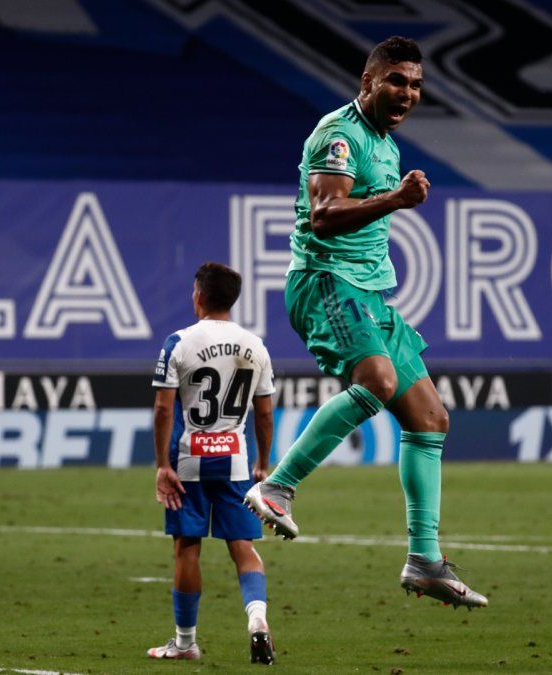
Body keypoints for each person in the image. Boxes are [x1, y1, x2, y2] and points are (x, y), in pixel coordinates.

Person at [243, 36, 487, 609]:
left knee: (430, 418)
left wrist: (394, 199)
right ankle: (277, 486)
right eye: (397, 80)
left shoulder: (385, 145)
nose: (408, 92)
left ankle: (424, 561)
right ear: (368, 81)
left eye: (417, 84)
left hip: (371, 294)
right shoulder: (339, 134)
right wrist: (396, 200)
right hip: (325, 281)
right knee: (376, 381)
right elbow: (325, 215)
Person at [147, 262, 277, 664]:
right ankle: (257, 618)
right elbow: (264, 413)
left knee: (187, 547)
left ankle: (185, 643)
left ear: (199, 296)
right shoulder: (255, 345)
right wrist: (263, 462)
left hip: (190, 461)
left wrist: (162, 465)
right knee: (242, 545)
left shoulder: (179, 342)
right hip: (236, 461)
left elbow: (163, 409)